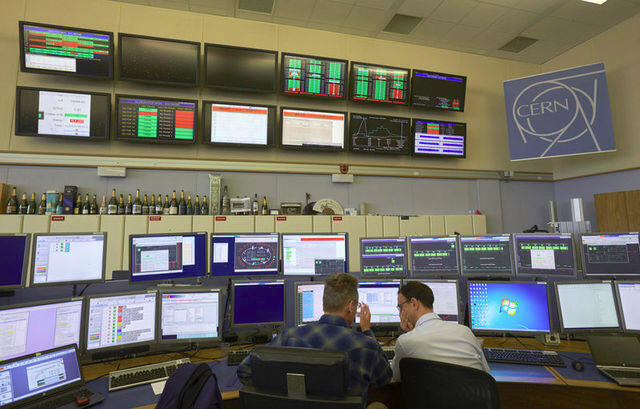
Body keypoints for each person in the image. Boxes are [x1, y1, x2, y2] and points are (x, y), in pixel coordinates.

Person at [237, 273, 392, 396]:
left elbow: (244, 370)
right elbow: (385, 380)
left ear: (324, 303)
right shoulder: (366, 346)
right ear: (351, 306)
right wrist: (367, 331)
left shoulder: (290, 337)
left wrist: (285, 393)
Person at [392, 281, 489, 381]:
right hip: (473, 391)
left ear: (414, 303)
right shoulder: (466, 332)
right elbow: (486, 374)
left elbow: (395, 377)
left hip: (432, 392)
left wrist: (408, 334)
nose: (400, 313)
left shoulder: (406, 341)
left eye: (401, 307)